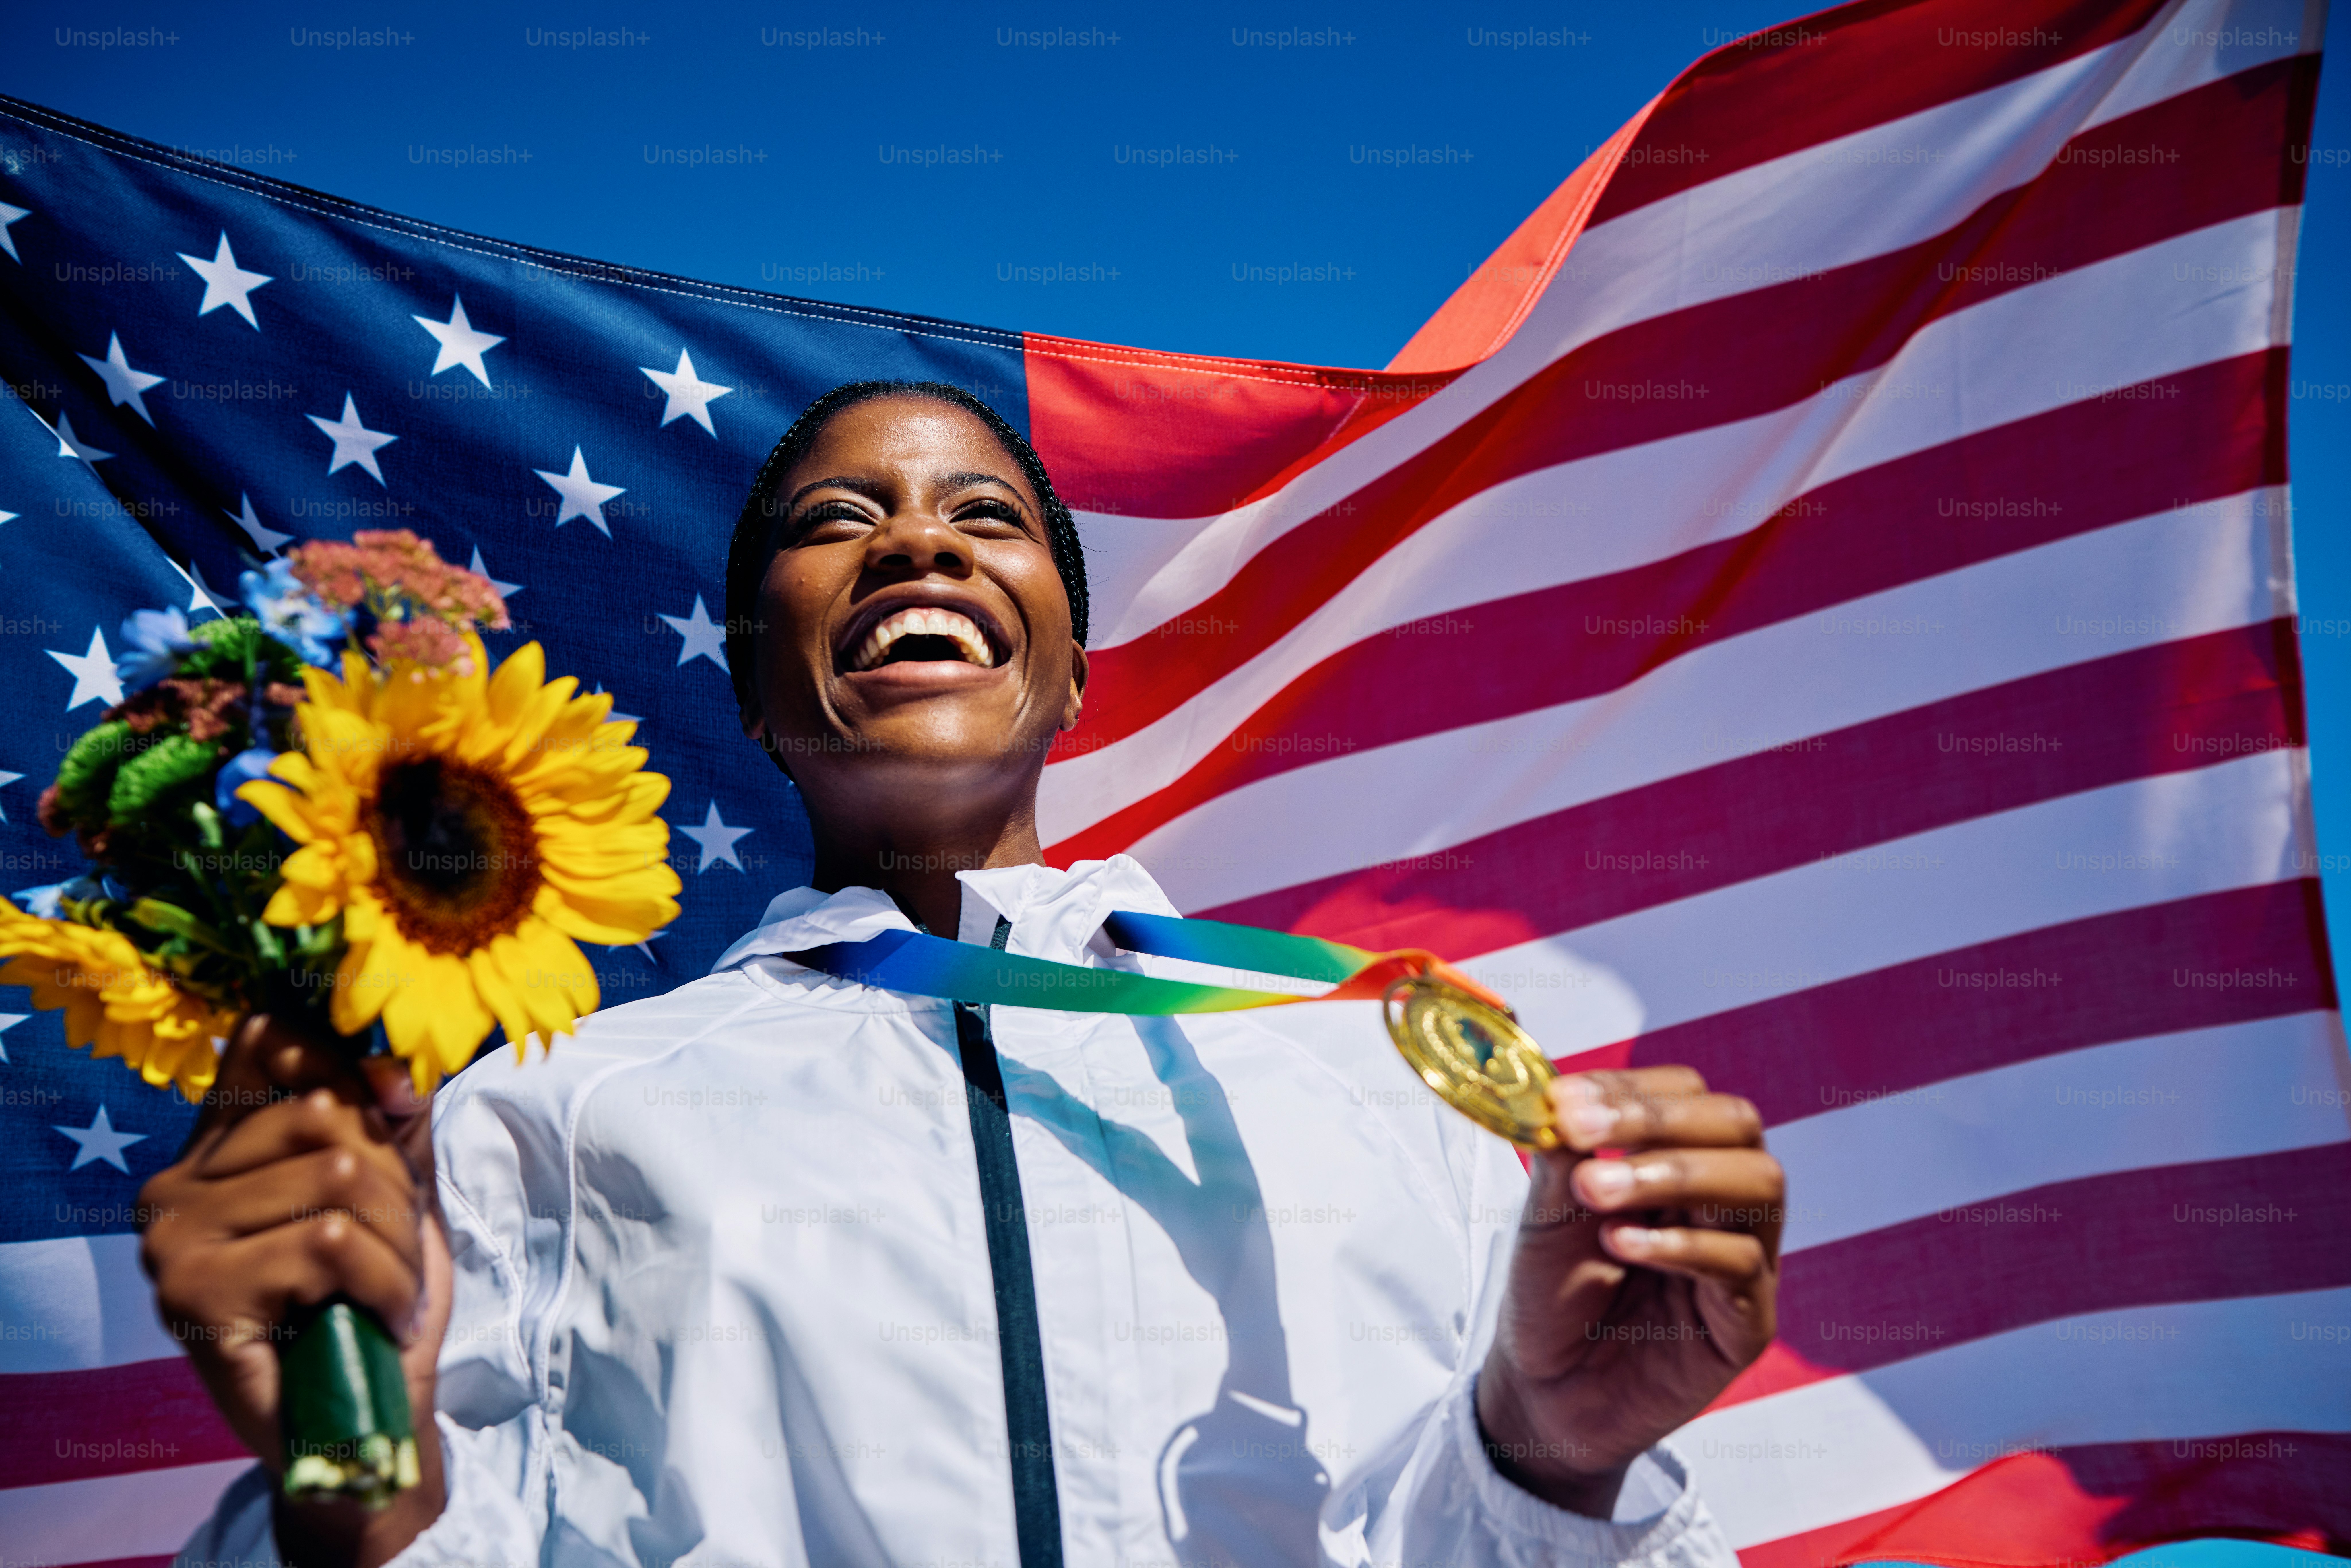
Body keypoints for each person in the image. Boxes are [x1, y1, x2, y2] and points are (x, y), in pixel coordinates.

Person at [148, 382, 1785, 1568]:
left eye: (985, 517)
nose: (918, 543)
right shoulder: (543, 1111)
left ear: (1070, 671)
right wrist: (351, 1484)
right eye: (837, 522)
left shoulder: (1378, 1075)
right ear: (752, 685)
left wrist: (1560, 1460)